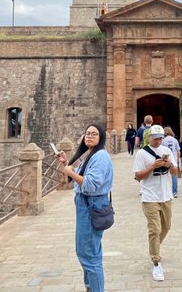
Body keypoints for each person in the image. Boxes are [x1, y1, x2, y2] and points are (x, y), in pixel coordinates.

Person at [56, 123, 113, 292]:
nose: (89, 136)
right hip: (88, 205)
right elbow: (80, 177)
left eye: (94, 134)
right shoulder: (92, 154)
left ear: (101, 137)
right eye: (87, 133)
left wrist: (70, 172)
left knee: (89, 254)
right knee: (88, 251)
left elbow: (90, 184)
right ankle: (90, 287)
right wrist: (66, 163)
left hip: (91, 205)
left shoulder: (100, 156)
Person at [132, 125, 178, 281]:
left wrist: (169, 165)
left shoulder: (168, 151)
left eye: (160, 138)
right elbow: (138, 177)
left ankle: (154, 246)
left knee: (166, 227)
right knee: (155, 229)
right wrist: (153, 166)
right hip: (149, 196)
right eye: (156, 138)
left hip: (166, 195)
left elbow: (175, 174)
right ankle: (156, 262)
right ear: (149, 137)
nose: (158, 140)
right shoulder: (142, 154)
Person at [162, 127, 180, 198]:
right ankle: (174, 192)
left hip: (166, 160)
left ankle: (166, 190)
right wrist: (178, 160)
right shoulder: (175, 140)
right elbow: (178, 151)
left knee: (165, 175)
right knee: (174, 176)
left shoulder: (163, 140)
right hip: (174, 159)